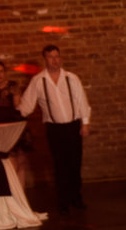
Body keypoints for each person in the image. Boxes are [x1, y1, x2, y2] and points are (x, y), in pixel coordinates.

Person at [18, 44, 91, 214]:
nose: (55, 60)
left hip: (73, 126)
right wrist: (15, 108)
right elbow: (26, 105)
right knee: (59, 165)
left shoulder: (71, 78)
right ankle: (63, 201)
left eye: (57, 56)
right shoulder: (38, 80)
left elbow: (81, 100)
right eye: (51, 57)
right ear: (45, 59)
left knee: (75, 164)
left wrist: (85, 123)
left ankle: (76, 197)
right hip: (54, 129)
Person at [0, 60, 33, 187]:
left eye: (1, 71)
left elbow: (17, 107)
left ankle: (21, 196)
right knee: (7, 162)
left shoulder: (13, 85)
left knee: (21, 160)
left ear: (5, 72)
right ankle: (11, 196)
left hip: (13, 126)